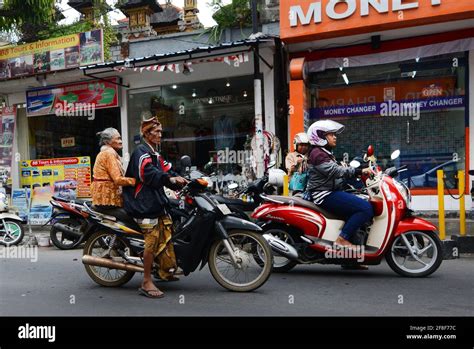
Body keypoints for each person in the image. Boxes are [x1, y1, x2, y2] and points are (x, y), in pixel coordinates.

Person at [123, 116, 187, 298]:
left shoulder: (155, 154)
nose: (160, 135)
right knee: (151, 239)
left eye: (160, 132)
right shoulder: (140, 153)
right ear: (147, 134)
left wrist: (184, 180)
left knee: (168, 229)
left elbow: (167, 171)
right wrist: (170, 179)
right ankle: (145, 281)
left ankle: (164, 269)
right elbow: (148, 174)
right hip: (142, 203)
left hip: (155, 201)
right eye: (156, 131)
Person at [306, 120, 374, 249]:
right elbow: (335, 171)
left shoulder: (324, 152)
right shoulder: (317, 154)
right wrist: (359, 171)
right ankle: (342, 240)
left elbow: (338, 170)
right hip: (324, 194)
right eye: (331, 134)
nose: (335, 137)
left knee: (355, 210)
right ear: (320, 137)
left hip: (330, 191)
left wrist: (361, 169)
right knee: (365, 208)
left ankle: (350, 259)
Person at [91, 128, 135, 208]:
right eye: (118, 139)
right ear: (108, 142)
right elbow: (117, 179)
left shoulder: (108, 153)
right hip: (106, 200)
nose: (121, 141)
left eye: (120, 138)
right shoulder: (108, 154)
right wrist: (135, 181)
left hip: (104, 198)